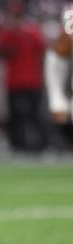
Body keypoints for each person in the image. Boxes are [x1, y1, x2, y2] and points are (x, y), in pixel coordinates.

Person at [0, 0, 48, 152]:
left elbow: (42, 52)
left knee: (32, 116)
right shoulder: (10, 32)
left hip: (28, 80)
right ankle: (20, 146)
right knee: (19, 117)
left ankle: (37, 147)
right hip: (18, 81)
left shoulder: (25, 31)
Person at [44, 16, 73, 149]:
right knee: (58, 108)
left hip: (64, 75)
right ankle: (59, 143)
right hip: (58, 73)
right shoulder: (54, 57)